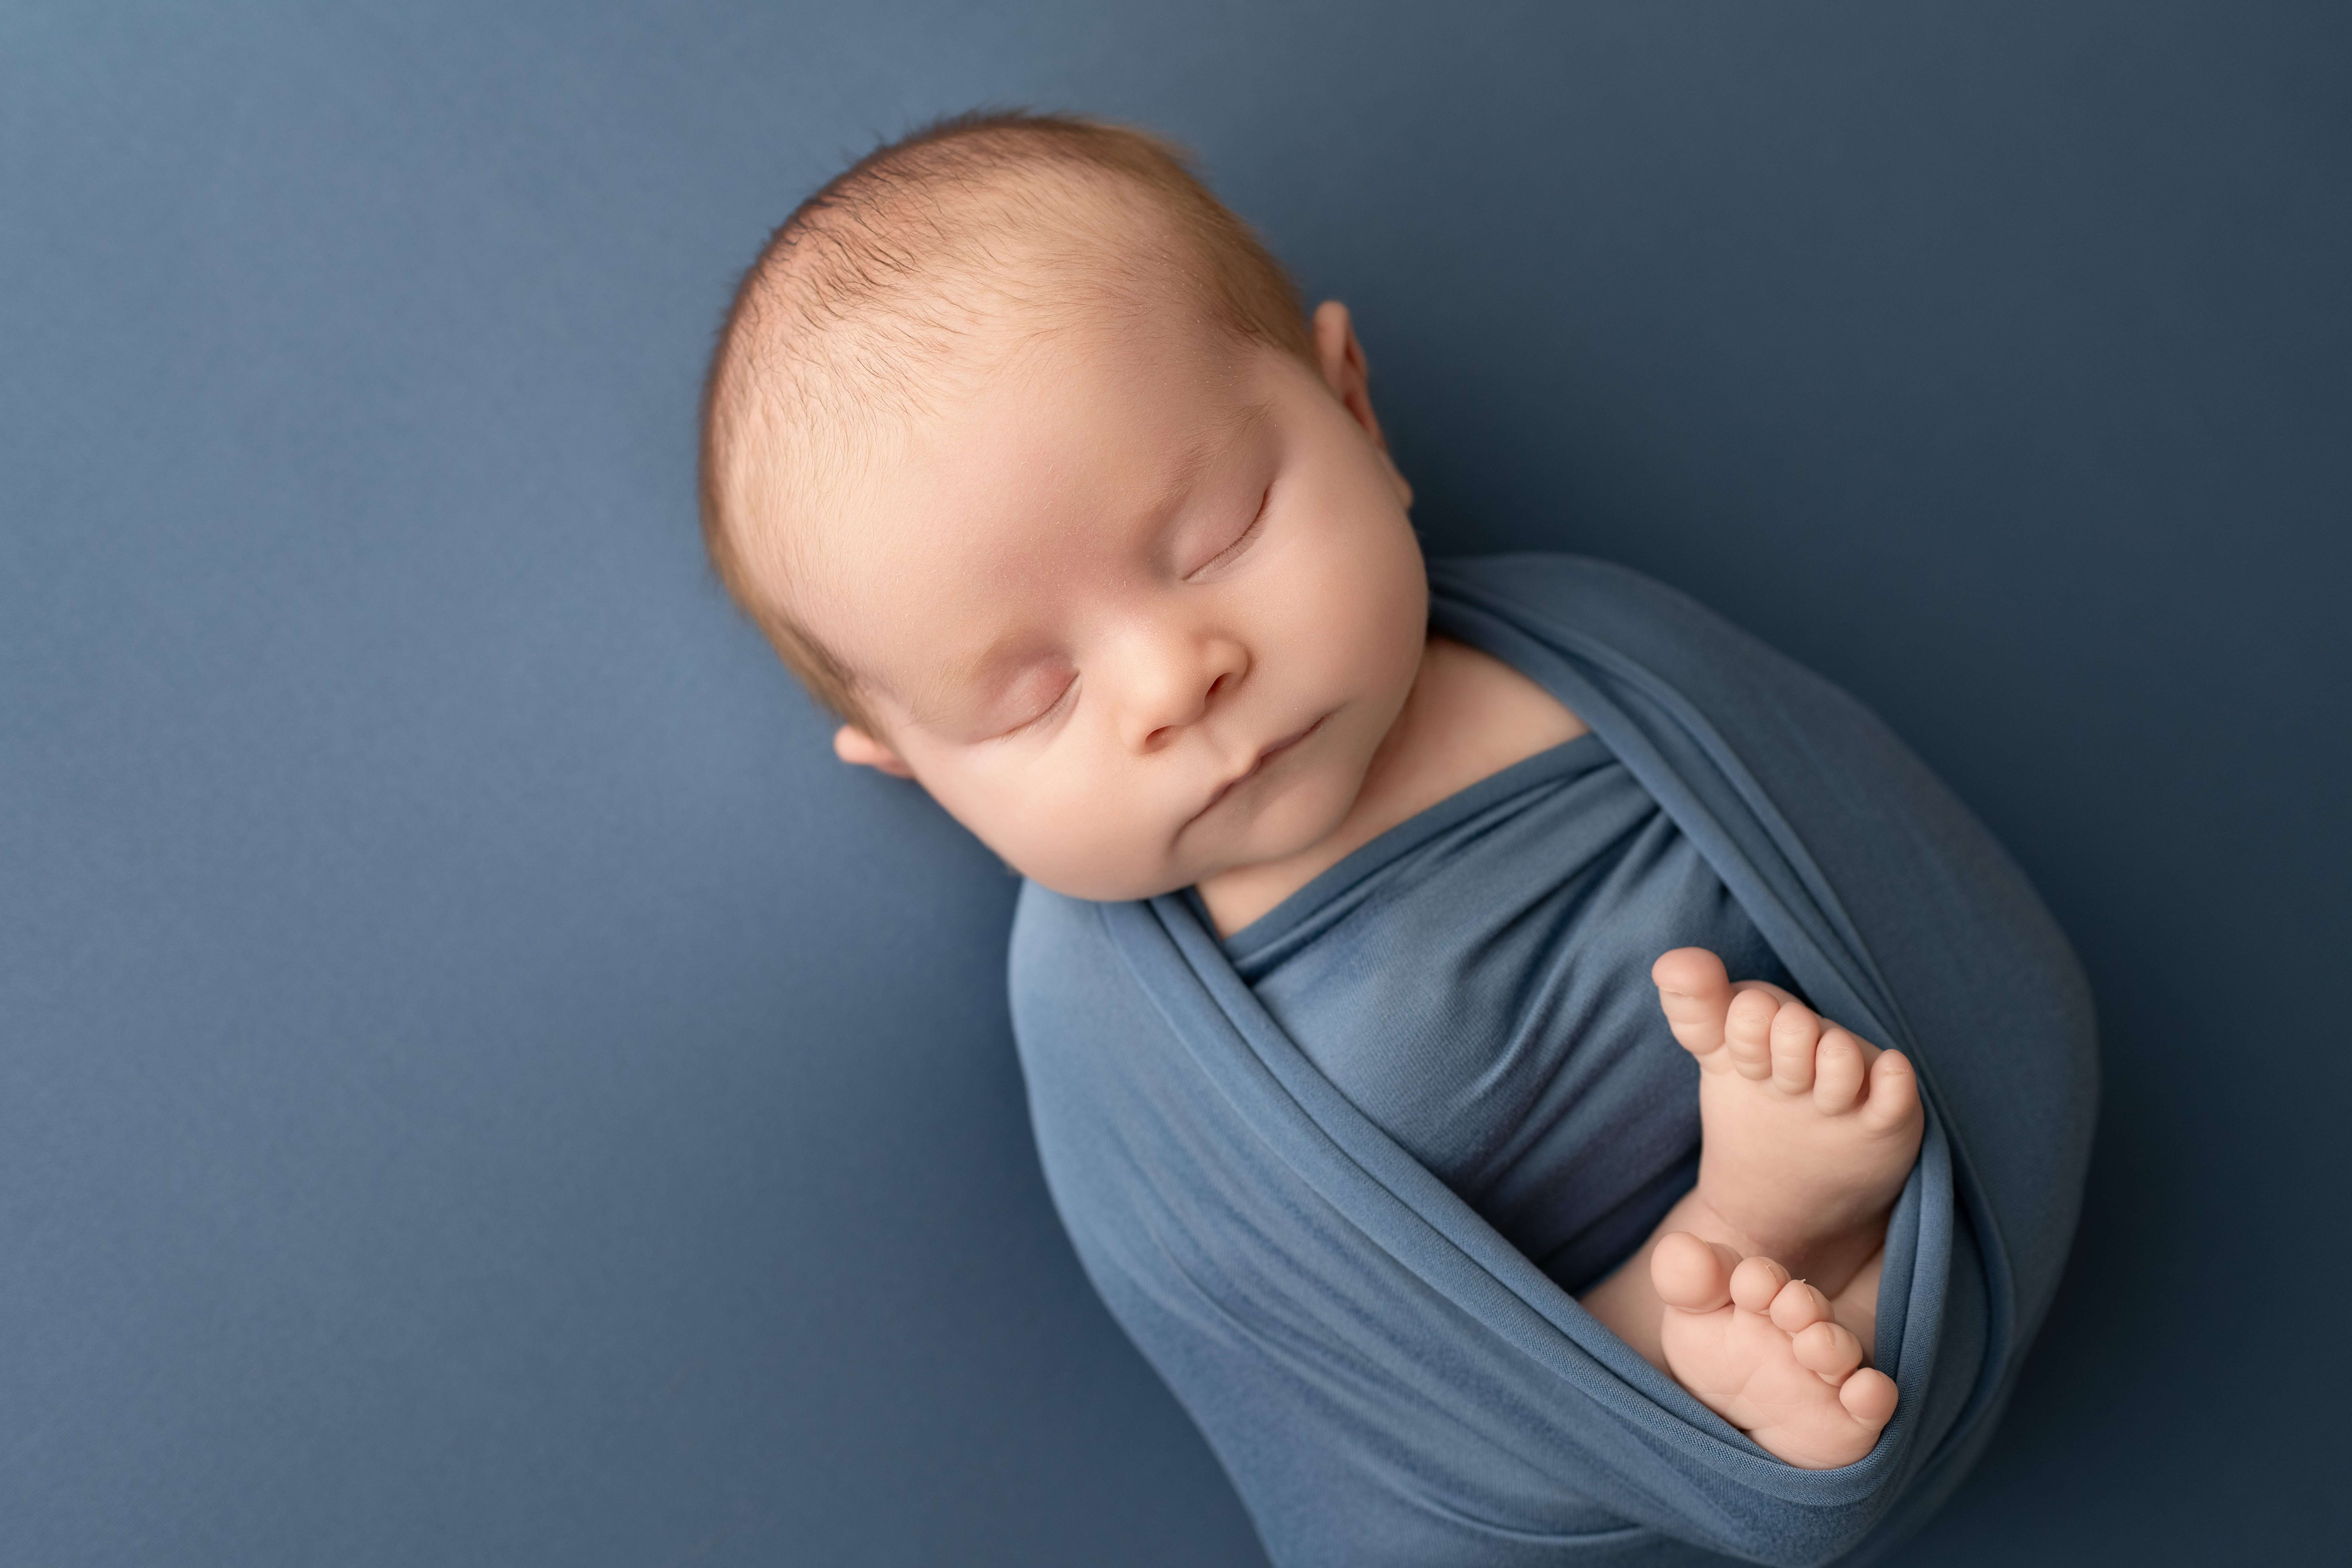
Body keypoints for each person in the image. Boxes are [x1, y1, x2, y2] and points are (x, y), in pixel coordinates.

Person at [699, 109, 1964, 1479]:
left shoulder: (1601, 655)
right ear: (921, 776)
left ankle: (1801, 1260)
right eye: (1031, 697)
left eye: (1218, 535)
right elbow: (1314, 1373)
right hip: (1562, 1371)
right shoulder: (1113, 1041)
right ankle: (1700, 1320)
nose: (1174, 681)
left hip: (1910, 1170)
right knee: (1477, 1377)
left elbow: (1884, 863)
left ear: (1355, 409)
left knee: (1844, 1095)